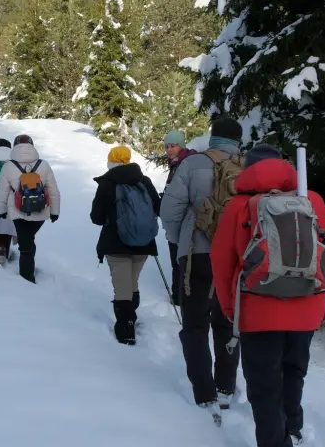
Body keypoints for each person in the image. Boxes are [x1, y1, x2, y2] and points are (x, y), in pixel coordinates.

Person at [210, 143, 325, 447]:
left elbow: (222, 262)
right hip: (307, 305)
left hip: (257, 308)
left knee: (264, 385)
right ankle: (293, 425)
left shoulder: (239, 205)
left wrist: (231, 309)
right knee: (294, 369)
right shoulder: (311, 200)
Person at [160, 117, 245, 415]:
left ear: (213, 138)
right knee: (227, 323)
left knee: (195, 325)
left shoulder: (193, 165)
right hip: (235, 258)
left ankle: (203, 392)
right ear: (238, 139)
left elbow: (170, 210)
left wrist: (179, 241)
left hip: (197, 253)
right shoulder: (248, 167)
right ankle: (225, 387)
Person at [90, 146, 161, 345]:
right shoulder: (144, 181)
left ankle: (126, 330)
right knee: (132, 282)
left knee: (122, 288)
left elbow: (96, 217)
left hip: (116, 243)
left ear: (111, 161)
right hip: (144, 243)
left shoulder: (107, 183)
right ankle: (132, 317)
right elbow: (157, 207)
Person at [0, 134, 61, 283]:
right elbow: (54, 190)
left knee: (25, 245)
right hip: (40, 211)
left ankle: (27, 279)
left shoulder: (8, 166)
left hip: (17, 211)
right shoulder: (44, 165)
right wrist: (55, 212)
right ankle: (29, 266)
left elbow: (2, 191)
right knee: (28, 239)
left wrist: (1, 210)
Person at [161, 130, 195, 303]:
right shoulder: (176, 163)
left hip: (183, 221)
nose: (169, 149)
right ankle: (179, 294)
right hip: (178, 220)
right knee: (179, 260)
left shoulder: (185, 164)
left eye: (173, 146)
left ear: (181, 146)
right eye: (167, 146)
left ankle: (181, 296)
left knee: (181, 260)